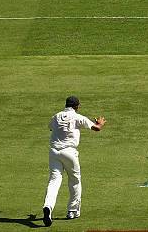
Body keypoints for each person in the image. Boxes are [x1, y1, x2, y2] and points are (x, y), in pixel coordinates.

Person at [42, 96, 106, 227]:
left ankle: (48, 207)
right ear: (76, 106)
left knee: (54, 181)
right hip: (70, 152)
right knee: (75, 180)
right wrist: (100, 123)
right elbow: (97, 128)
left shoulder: (56, 116)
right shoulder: (78, 117)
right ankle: (72, 211)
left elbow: (50, 128)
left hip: (54, 152)